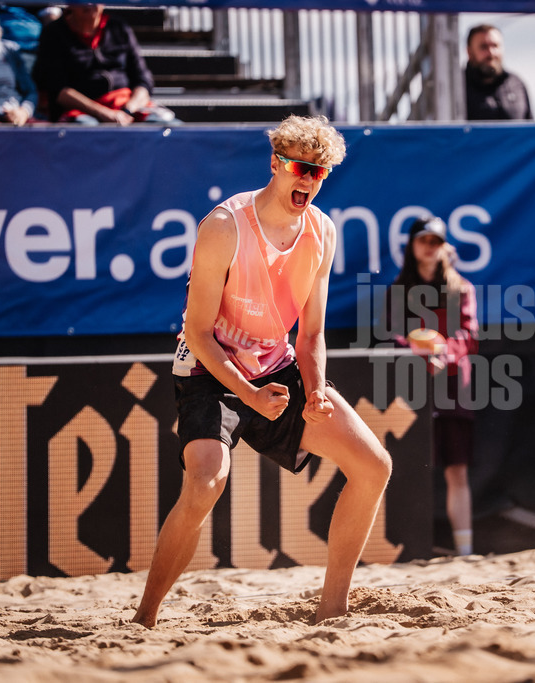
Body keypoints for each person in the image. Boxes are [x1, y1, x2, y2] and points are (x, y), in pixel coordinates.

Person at [131, 115, 392, 627]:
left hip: (277, 366)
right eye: (301, 168)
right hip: (211, 369)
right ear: (276, 164)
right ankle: (145, 616)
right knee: (206, 482)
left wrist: (315, 390)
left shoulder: (322, 231)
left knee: (374, 465)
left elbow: (311, 334)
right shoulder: (225, 225)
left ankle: (332, 611)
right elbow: (199, 333)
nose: (309, 182)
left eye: (320, 174)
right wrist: (248, 395)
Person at [384, 216, 480, 556]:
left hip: (453, 388)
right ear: (412, 245)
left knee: (457, 471)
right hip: (412, 389)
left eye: (436, 241)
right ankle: (412, 548)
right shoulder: (399, 290)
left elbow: (469, 336)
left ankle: (465, 552)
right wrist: (421, 355)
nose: (429, 246)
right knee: (408, 469)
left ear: (444, 247)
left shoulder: (461, 288)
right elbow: (392, 336)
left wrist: (443, 354)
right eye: (424, 240)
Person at [32, 3, 173, 125]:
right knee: (86, 130)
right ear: (70, 4)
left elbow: (143, 80)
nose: (90, 4)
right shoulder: (54, 33)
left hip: (125, 106)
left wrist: (128, 109)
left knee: (168, 127)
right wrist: (103, 113)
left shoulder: (119, 28)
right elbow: (58, 90)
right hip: (80, 112)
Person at [464, 24, 532, 121]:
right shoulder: (456, 87)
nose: (491, 53)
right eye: (483, 47)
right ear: (469, 52)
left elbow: (531, 130)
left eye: (495, 46)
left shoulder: (516, 84)